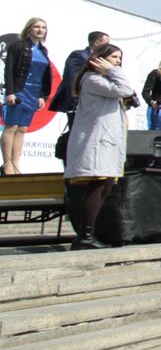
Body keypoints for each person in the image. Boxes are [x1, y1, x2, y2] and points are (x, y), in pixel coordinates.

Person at [64, 43, 140, 249]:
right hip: (97, 141)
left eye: (119, 59)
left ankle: (88, 232)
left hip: (109, 141)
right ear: (100, 59)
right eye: (114, 57)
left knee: (105, 186)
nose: (118, 62)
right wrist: (112, 71)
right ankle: (85, 235)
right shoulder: (93, 79)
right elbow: (124, 89)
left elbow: (126, 94)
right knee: (96, 186)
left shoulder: (104, 80)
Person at [2, 17, 52, 175]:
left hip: (34, 93)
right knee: (11, 127)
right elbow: (8, 70)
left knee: (22, 128)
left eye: (43, 27)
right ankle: (7, 164)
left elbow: (45, 76)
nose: (40, 30)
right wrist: (10, 92)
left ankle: (16, 164)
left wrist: (43, 95)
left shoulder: (43, 50)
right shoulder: (18, 46)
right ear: (29, 29)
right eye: (36, 26)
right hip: (18, 91)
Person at [47, 31, 108, 118]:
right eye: (106, 43)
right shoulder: (79, 55)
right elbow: (71, 80)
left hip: (95, 104)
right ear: (97, 43)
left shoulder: (104, 60)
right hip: (79, 103)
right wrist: (75, 103)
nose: (108, 47)